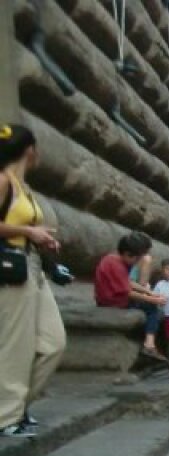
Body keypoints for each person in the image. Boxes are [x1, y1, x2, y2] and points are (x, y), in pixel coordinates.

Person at [0, 123, 66, 438]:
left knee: (53, 343)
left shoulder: (23, 186)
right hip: (12, 270)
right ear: (29, 149)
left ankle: (17, 406)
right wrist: (28, 232)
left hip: (33, 267)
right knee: (17, 346)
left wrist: (42, 241)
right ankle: (6, 417)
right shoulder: (2, 182)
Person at [94, 232, 168, 363]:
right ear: (128, 254)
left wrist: (149, 292)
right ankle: (149, 345)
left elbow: (128, 282)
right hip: (113, 301)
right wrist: (153, 300)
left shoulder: (115, 260)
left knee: (150, 303)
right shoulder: (115, 265)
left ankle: (149, 344)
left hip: (113, 297)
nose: (138, 262)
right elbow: (127, 292)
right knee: (151, 308)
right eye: (137, 259)